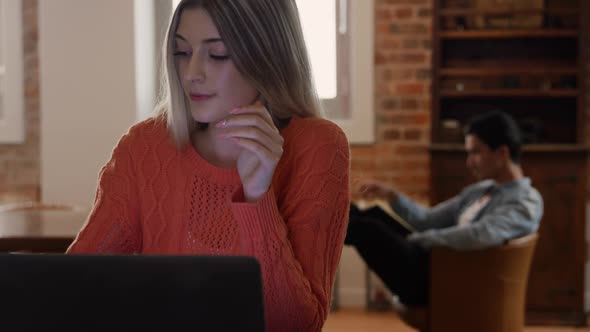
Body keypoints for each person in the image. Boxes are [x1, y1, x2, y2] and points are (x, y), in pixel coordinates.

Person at [67, 1, 350, 331]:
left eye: (217, 54)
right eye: (182, 52)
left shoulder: (318, 146)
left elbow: (294, 324)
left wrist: (258, 198)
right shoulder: (144, 147)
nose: (192, 73)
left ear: (268, 56)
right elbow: (74, 286)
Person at [345, 111, 543, 307]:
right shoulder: (480, 191)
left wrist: (423, 239)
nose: (469, 162)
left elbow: (481, 234)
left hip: (448, 283)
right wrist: (391, 195)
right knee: (370, 216)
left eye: (476, 152)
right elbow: (427, 220)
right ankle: (324, 214)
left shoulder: (525, 201)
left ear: (502, 153)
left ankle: (316, 227)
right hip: (437, 265)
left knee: (368, 230)